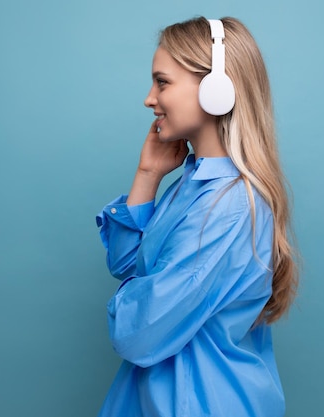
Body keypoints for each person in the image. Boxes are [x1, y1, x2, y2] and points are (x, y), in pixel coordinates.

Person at [95, 16, 298, 417]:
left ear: (216, 89)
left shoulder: (228, 206)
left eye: (163, 82)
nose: (149, 98)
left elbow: (136, 332)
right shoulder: (193, 184)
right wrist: (148, 175)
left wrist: (135, 299)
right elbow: (125, 264)